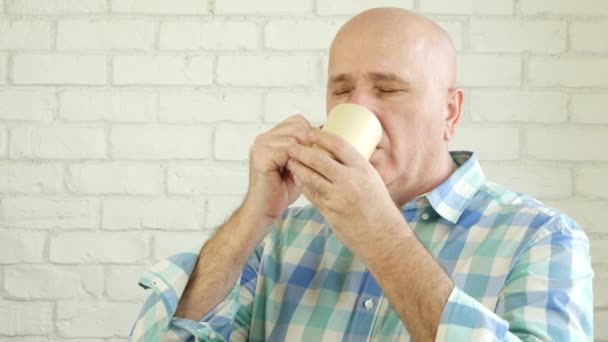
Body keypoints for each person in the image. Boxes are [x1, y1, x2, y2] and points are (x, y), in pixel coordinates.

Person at [129, 8, 593, 341]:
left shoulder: (541, 237)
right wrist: (254, 215)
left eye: (388, 89)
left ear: (449, 113)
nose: (357, 107)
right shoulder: (283, 236)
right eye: (342, 89)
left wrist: (380, 235)